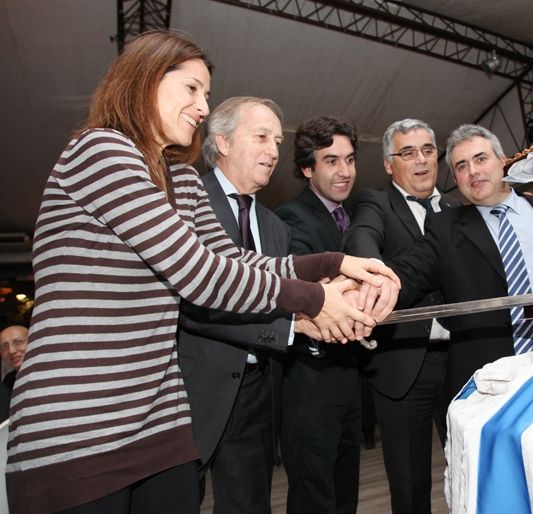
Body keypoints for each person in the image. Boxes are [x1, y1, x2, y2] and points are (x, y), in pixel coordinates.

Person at [5, 31, 398, 514]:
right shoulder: (101, 151)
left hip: (159, 416)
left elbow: (233, 260)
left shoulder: (182, 177)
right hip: (81, 420)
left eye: (207, 93)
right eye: (191, 88)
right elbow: (198, 273)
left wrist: (334, 263)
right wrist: (315, 301)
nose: (202, 105)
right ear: (144, 80)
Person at [389, 124, 533, 403]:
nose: (473, 171)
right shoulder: (445, 228)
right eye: (461, 166)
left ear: (502, 161)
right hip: (494, 382)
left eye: (481, 158)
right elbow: (409, 272)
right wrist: (361, 283)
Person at [176, 96, 295, 514]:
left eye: (277, 141)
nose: (274, 151)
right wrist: (294, 329)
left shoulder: (277, 230)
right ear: (222, 142)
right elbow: (192, 304)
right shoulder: (182, 200)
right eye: (261, 137)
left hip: (256, 391)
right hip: (187, 391)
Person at [343, 118, 460, 514]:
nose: (422, 160)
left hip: (466, 359)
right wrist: (375, 277)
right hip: (404, 361)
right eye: (407, 153)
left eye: (428, 150)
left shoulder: (459, 205)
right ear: (389, 165)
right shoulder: (375, 203)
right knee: (409, 485)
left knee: (469, 466)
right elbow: (361, 237)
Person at [275, 116, 366, 514]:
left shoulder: (355, 216)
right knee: (314, 500)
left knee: (345, 494)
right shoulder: (292, 218)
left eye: (349, 160)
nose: (344, 171)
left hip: (349, 378)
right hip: (310, 384)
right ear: (308, 168)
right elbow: (306, 291)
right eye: (331, 161)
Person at [0, 324, 28, 389]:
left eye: (18, 342)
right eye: (5, 346)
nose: (11, 351)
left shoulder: (49, 372)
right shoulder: (8, 381)